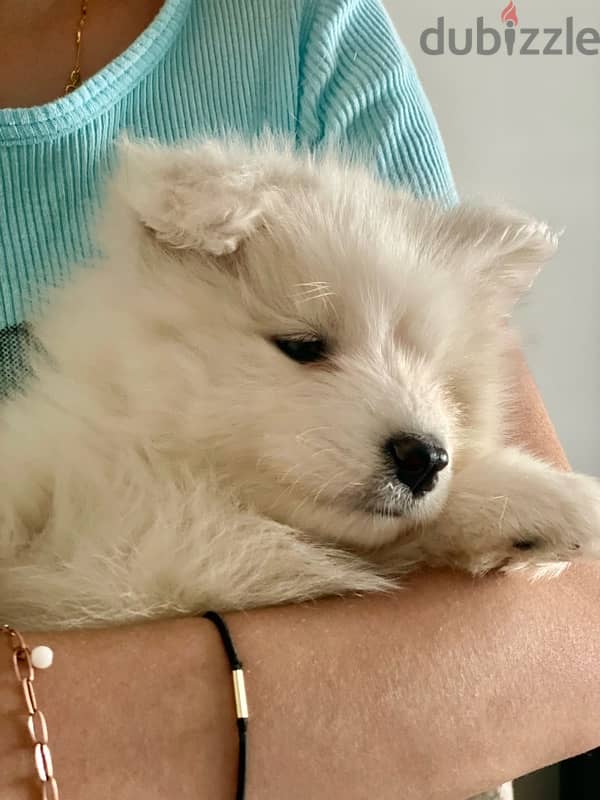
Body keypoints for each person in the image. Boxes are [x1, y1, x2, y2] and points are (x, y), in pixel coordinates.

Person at [1, 2, 598, 799]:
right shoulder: (71, 446)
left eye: (430, 373)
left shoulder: (300, 30)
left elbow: (563, 642)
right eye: (305, 347)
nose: (414, 424)